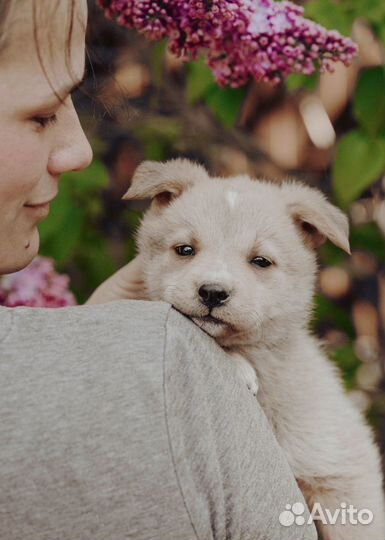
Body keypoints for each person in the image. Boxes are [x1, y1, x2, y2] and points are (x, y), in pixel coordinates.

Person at [0, 1, 317, 539]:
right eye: (41, 114)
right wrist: (132, 357)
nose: (80, 150)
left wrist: (89, 344)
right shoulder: (171, 366)